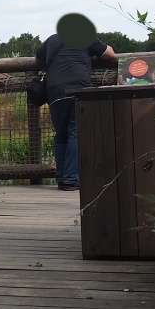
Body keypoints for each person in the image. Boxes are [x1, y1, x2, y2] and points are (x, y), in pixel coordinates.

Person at [35, 33, 117, 191]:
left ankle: (61, 177)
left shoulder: (52, 39)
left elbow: (38, 59)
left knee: (61, 136)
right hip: (78, 89)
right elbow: (109, 54)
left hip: (54, 91)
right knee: (75, 133)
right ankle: (71, 179)